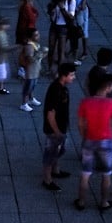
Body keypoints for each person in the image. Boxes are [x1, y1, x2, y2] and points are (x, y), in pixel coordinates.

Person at [75, 72, 112, 211]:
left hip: (90, 140)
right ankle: (104, 202)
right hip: (106, 142)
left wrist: (85, 136)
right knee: (106, 174)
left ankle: (81, 201)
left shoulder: (85, 102)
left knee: (85, 173)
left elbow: (80, 124)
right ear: (107, 87)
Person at [40, 63, 76, 191]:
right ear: (63, 76)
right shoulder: (56, 90)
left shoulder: (62, 88)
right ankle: (47, 180)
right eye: (71, 75)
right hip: (54, 130)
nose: (74, 77)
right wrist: (57, 132)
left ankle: (56, 170)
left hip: (60, 128)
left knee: (58, 150)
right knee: (50, 154)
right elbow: (50, 113)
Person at [18, 28, 47, 112]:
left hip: (35, 70)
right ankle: (24, 103)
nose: (38, 36)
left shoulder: (35, 44)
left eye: (38, 34)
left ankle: (31, 98)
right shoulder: (29, 47)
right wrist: (39, 54)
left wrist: (43, 54)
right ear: (31, 37)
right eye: (36, 35)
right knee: (28, 87)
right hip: (30, 71)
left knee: (33, 86)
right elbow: (30, 59)